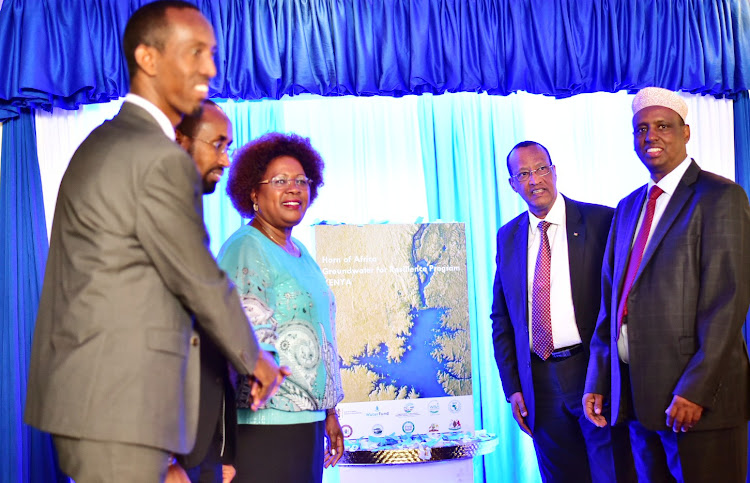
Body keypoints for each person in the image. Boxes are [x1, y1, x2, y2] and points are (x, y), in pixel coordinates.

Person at [24, 2, 286, 481]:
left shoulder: (106, 139)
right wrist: (257, 359)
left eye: (211, 52)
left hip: (93, 403)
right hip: (119, 407)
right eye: (195, 52)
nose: (210, 66)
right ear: (147, 59)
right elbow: (198, 277)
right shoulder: (156, 155)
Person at [583, 87, 750, 482]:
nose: (650, 136)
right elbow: (613, 303)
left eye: (663, 126)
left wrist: (695, 389)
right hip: (639, 402)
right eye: (642, 128)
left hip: (696, 403)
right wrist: (599, 377)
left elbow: (728, 302)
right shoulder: (627, 208)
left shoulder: (720, 196)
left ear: (686, 132)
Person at [491, 141, 633, 482]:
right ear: (512, 183)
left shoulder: (601, 220)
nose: (534, 179)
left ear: (554, 171)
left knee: (610, 472)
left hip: (592, 373)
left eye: (541, 169)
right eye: (523, 173)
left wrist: (606, 374)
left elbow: (622, 302)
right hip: (538, 382)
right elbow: (502, 319)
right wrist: (513, 388)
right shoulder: (507, 236)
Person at [218, 132, 345, 482]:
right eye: (280, 181)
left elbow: (322, 336)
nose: (294, 188)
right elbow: (244, 332)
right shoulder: (247, 247)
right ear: (253, 194)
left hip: (307, 421)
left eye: (301, 181)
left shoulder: (301, 254)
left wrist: (329, 411)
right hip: (264, 423)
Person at [174, 100, 236, 482]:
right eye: (218, 145)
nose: (226, 160)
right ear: (181, 142)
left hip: (203, 449)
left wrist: (219, 454)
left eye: (229, 147)